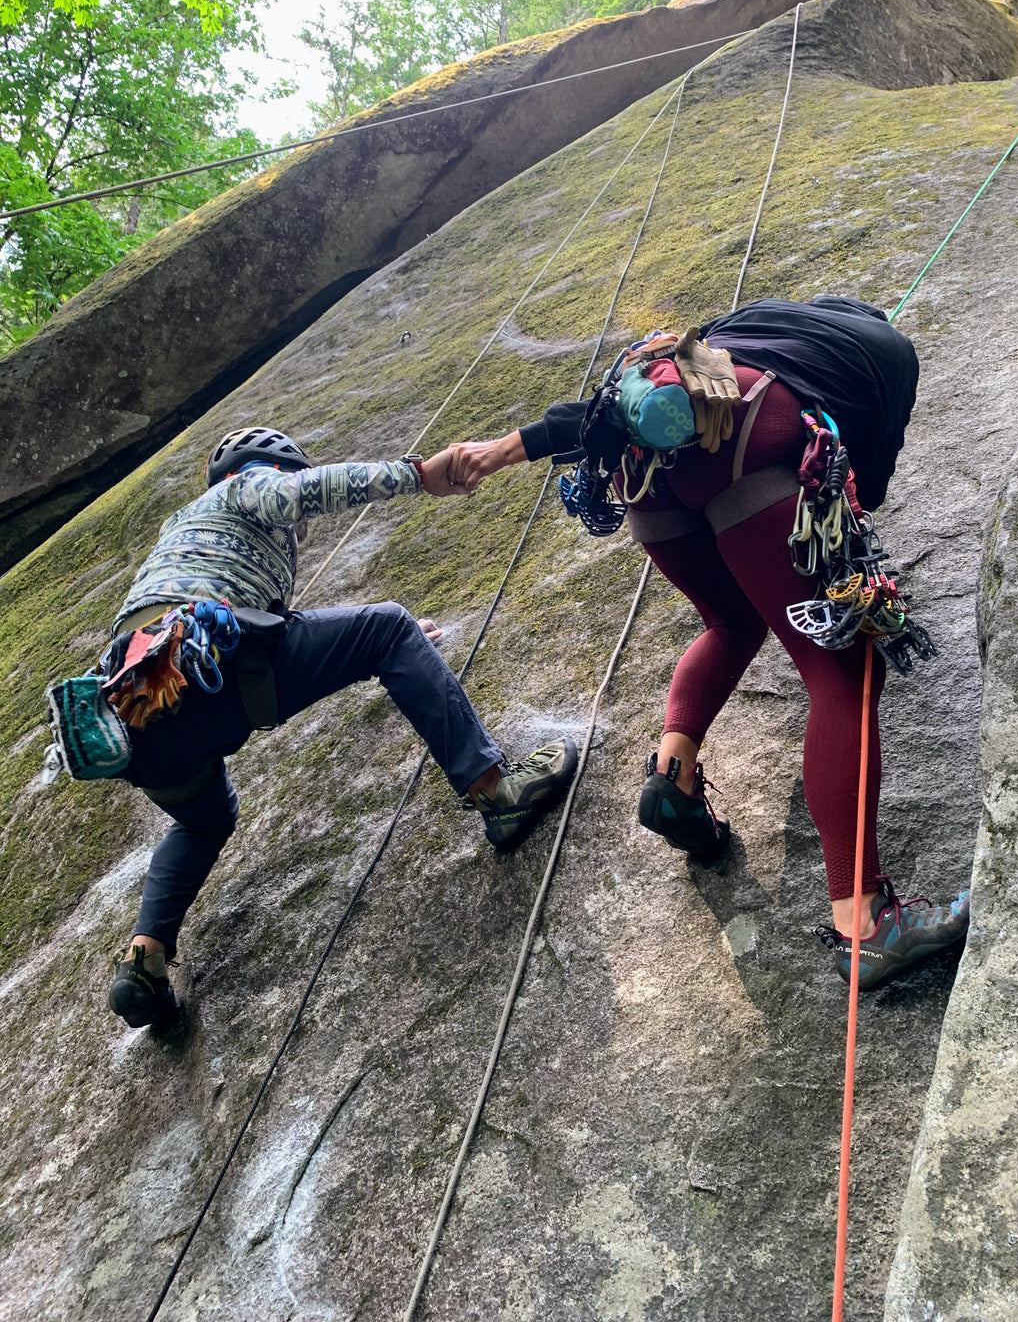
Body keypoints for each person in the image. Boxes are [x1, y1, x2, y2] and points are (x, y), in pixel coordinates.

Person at [447, 297, 969, 992]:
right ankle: (867, 923)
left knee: (731, 623)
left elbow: (600, 414)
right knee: (841, 670)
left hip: (649, 478)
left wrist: (499, 449)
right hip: (752, 447)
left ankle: (675, 776)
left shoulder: (733, 331)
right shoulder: (889, 354)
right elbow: (858, 484)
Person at [106, 427, 577, 1031]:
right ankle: (497, 792)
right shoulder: (241, 489)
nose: (294, 538)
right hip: (211, 664)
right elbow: (303, 493)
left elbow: (286, 633)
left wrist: (409, 656)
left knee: (204, 820)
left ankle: (144, 961)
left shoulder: (180, 535)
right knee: (387, 626)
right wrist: (418, 475)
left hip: (136, 708)